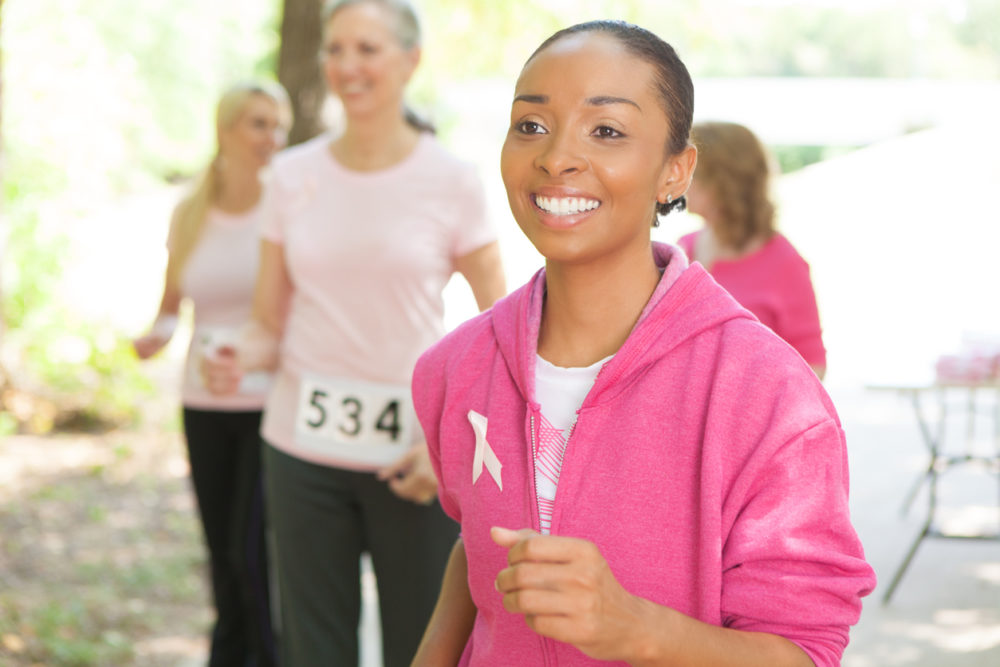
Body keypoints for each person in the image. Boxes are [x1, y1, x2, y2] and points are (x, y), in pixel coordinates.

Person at [410, 20, 875, 667]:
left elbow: (804, 652)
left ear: (675, 171)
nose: (557, 157)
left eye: (607, 131)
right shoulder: (454, 370)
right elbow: (475, 549)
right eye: (531, 125)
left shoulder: (771, 397)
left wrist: (635, 629)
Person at [201, 1, 507, 665]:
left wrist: (448, 438)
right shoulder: (290, 175)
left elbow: (501, 332)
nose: (346, 65)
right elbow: (266, 323)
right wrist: (236, 355)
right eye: (335, 49)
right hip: (299, 449)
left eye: (367, 49)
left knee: (421, 647)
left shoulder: (453, 180)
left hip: (413, 455)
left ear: (410, 60)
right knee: (315, 650)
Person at [133, 81, 290, 667]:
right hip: (202, 404)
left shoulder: (286, 207)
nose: (272, 138)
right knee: (220, 555)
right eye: (258, 124)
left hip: (267, 404)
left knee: (250, 553)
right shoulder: (191, 210)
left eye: (279, 125)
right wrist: (159, 333)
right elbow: (173, 304)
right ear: (226, 130)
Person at [680, 121, 827, 379]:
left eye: (692, 170)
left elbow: (813, 365)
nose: (678, 180)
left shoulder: (785, 263)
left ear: (722, 182)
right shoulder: (683, 250)